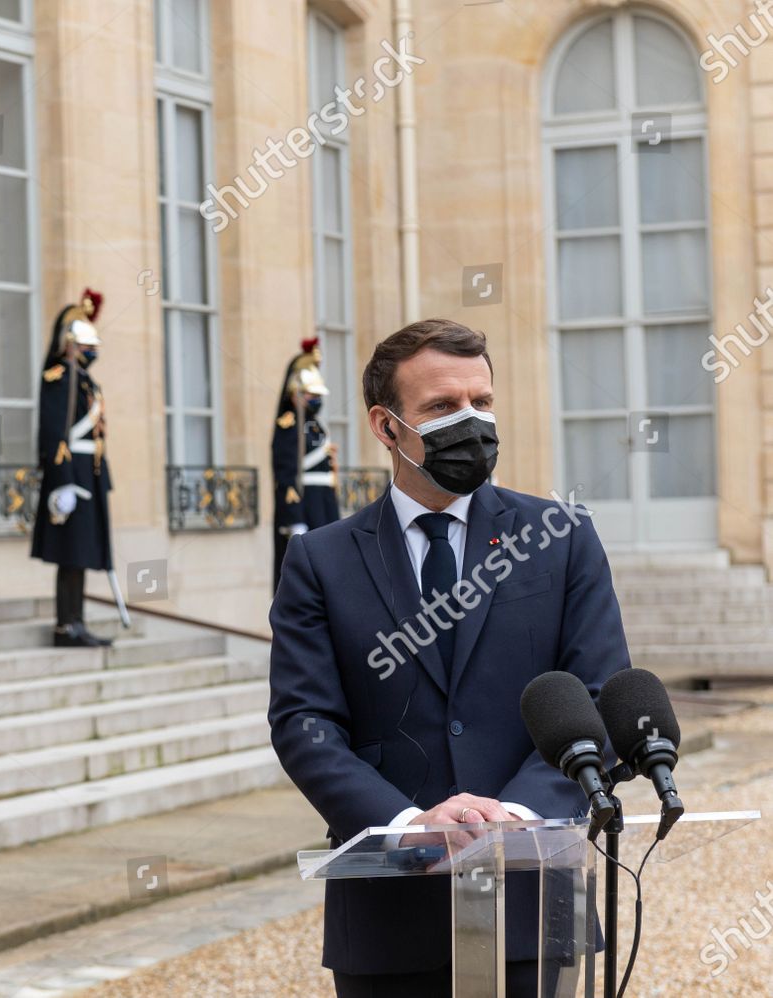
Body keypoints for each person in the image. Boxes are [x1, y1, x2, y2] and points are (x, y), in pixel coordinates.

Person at [267, 318, 630, 997]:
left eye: (481, 403)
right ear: (386, 427)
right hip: (387, 919)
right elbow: (303, 721)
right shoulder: (320, 561)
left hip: (533, 901)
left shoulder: (561, 539)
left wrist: (513, 819)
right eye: (442, 407)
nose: (471, 422)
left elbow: (599, 695)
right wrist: (411, 825)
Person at [30, 288, 114, 647]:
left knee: (82, 553)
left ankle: (77, 619)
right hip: (70, 473)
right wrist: (61, 481)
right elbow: (54, 431)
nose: (90, 351)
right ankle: (65, 625)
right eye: (84, 344)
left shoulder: (84, 381)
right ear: (69, 343)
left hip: (88, 472)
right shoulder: (58, 377)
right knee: (70, 553)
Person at [272, 337, 340, 591]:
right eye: (310, 393)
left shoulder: (314, 424)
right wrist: (294, 519)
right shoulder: (289, 424)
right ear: (297, 393)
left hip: (323, 501)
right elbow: (286, 474)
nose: (315, 398)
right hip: (307, 503)